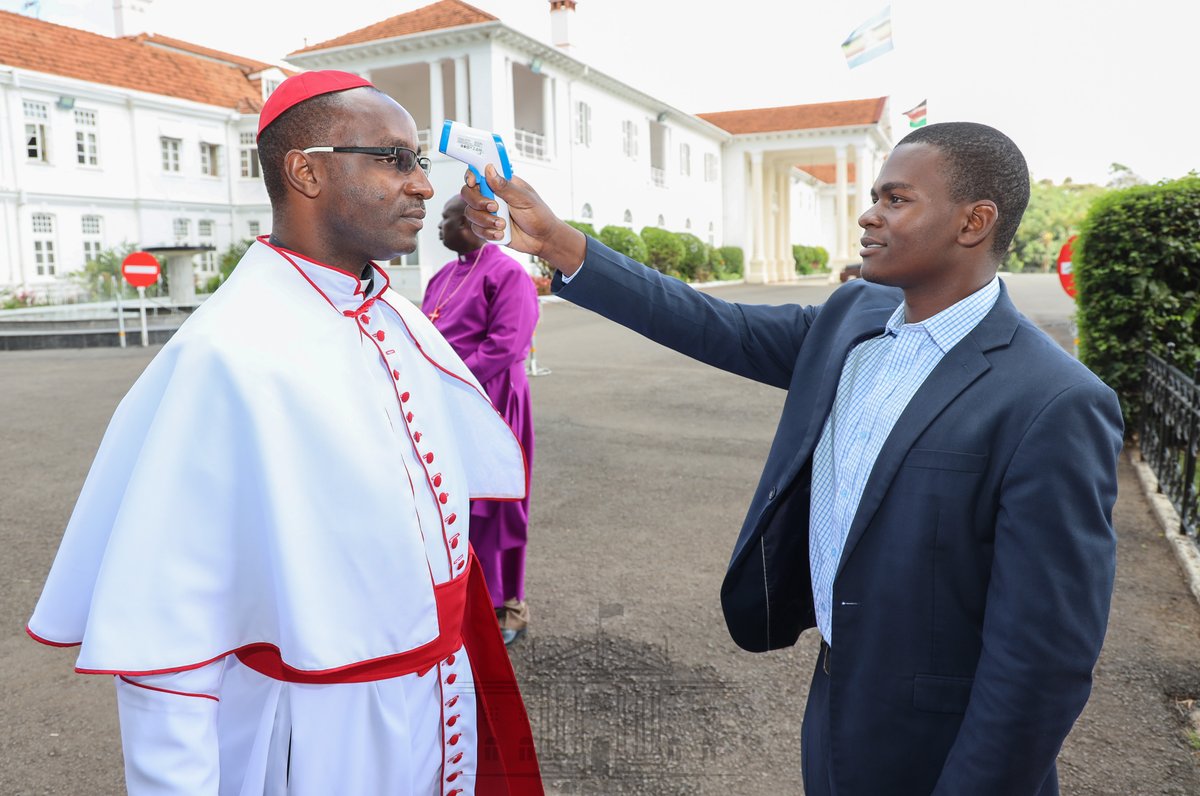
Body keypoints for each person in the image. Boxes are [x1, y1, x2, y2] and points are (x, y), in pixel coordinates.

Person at [459, 122, 1123, 795]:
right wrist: (556, 242)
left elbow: (1043, 662)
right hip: (835, 706)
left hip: (950, 748)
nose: (869, 213)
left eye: (896, 200)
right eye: (874, 197)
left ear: (973, 222)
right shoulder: (852, 319)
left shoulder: (1055, 402)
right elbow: (707, 321)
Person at [27, 70, 543, 796]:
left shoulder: (391, 314)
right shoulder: (226, 358)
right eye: (393, 158)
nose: (424, 184)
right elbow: (165, 647)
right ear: (305, 171)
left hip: (436, 701)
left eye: (420, 158)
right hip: (323, 739)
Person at [424, 197, 540, 645]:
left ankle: (508, 605)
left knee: (497, 505)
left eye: (445, 219)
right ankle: (462, 601)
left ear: (470, 223)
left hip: (493, 400)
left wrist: (447, 377)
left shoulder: (508, 273)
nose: (438, 227)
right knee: (452, 503)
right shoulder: (441, 276)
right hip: (446, 403)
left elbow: (507, 344)